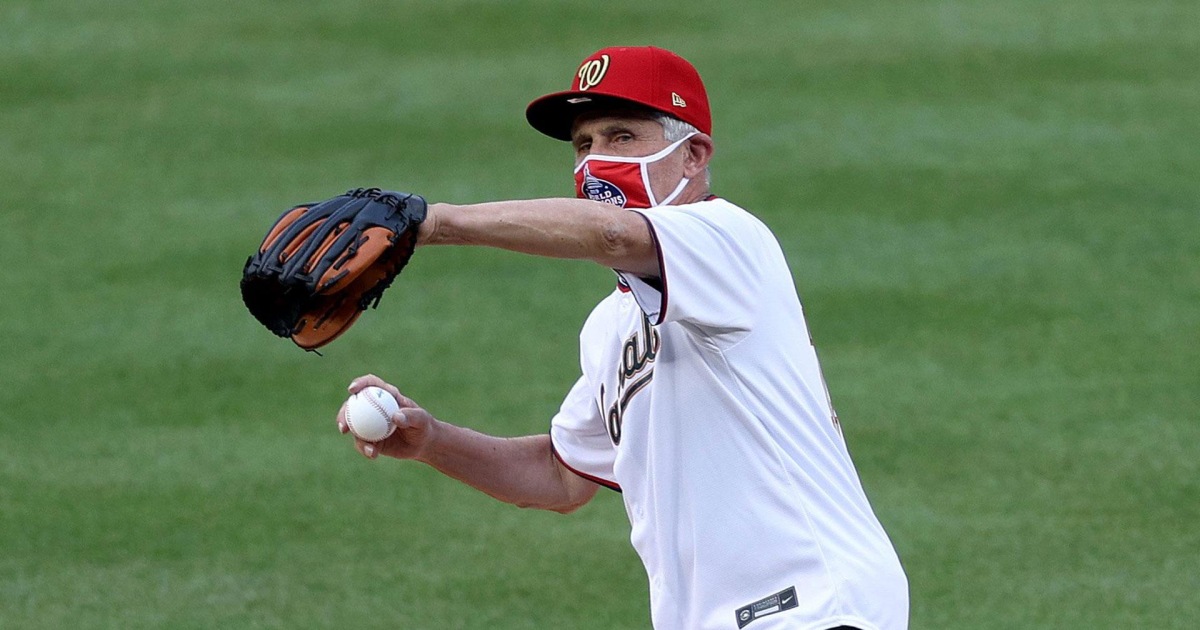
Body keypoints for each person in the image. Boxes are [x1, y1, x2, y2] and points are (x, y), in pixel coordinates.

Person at [337, 46, 909, 630]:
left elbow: (612, 235)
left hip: (811, 603)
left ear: (693, 156)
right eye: (584, 145)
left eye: (621, 137)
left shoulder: (730, 237)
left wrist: (434, 223)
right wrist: (431, 439)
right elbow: (560, 478)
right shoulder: (609, 326)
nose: (595, 161)